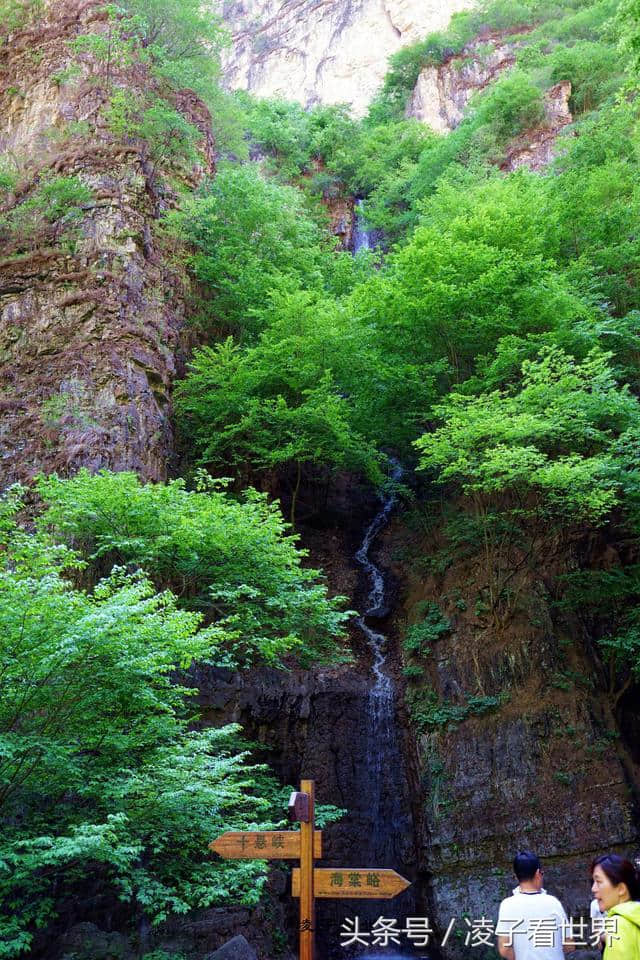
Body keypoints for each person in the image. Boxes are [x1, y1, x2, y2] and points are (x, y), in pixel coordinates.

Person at [497, 851, 575, 960]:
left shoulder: (507, 905)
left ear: (516, 876)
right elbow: (569, 945)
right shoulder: (553, 903)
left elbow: (504, 949)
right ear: (538, 873)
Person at [591, 854, 640, 959]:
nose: (593, 889)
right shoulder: (634, 918)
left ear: (621, 889)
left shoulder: (619, 925)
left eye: (598, 881)